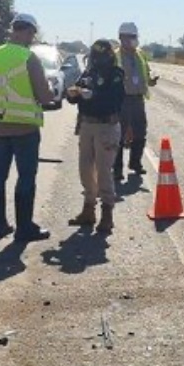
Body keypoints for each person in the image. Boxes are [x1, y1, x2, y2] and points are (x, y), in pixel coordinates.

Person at [0, 13, 59, 242]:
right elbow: (43, 95)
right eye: (32, 34)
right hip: (24, 129)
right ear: (30, 32)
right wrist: (51, 90)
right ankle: (24, 228)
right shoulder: (28, 58)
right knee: (26, 177)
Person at [65, 39, 125, 234]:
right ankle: (88, 209)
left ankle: (107, 213)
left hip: (106, 125)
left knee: (104, 170)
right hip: (87, 124)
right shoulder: (88, 73)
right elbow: (75, 94)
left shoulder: (116, 75)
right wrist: (74, 94)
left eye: (100, 56)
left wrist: (93, 95)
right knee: (85, 169)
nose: (96, 60)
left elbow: (114, 100)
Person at [113, 22, 158, 181]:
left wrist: (151, 81)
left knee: (140, 133)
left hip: (138, 99)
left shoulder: (140, 55)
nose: (133, 40)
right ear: (121, 38)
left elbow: (146, 72)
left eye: (134, 37)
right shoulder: (115, 56)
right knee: (118, 136)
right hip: (122, 100)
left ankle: (135, 163)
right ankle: (117, 169)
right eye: (129, 37)